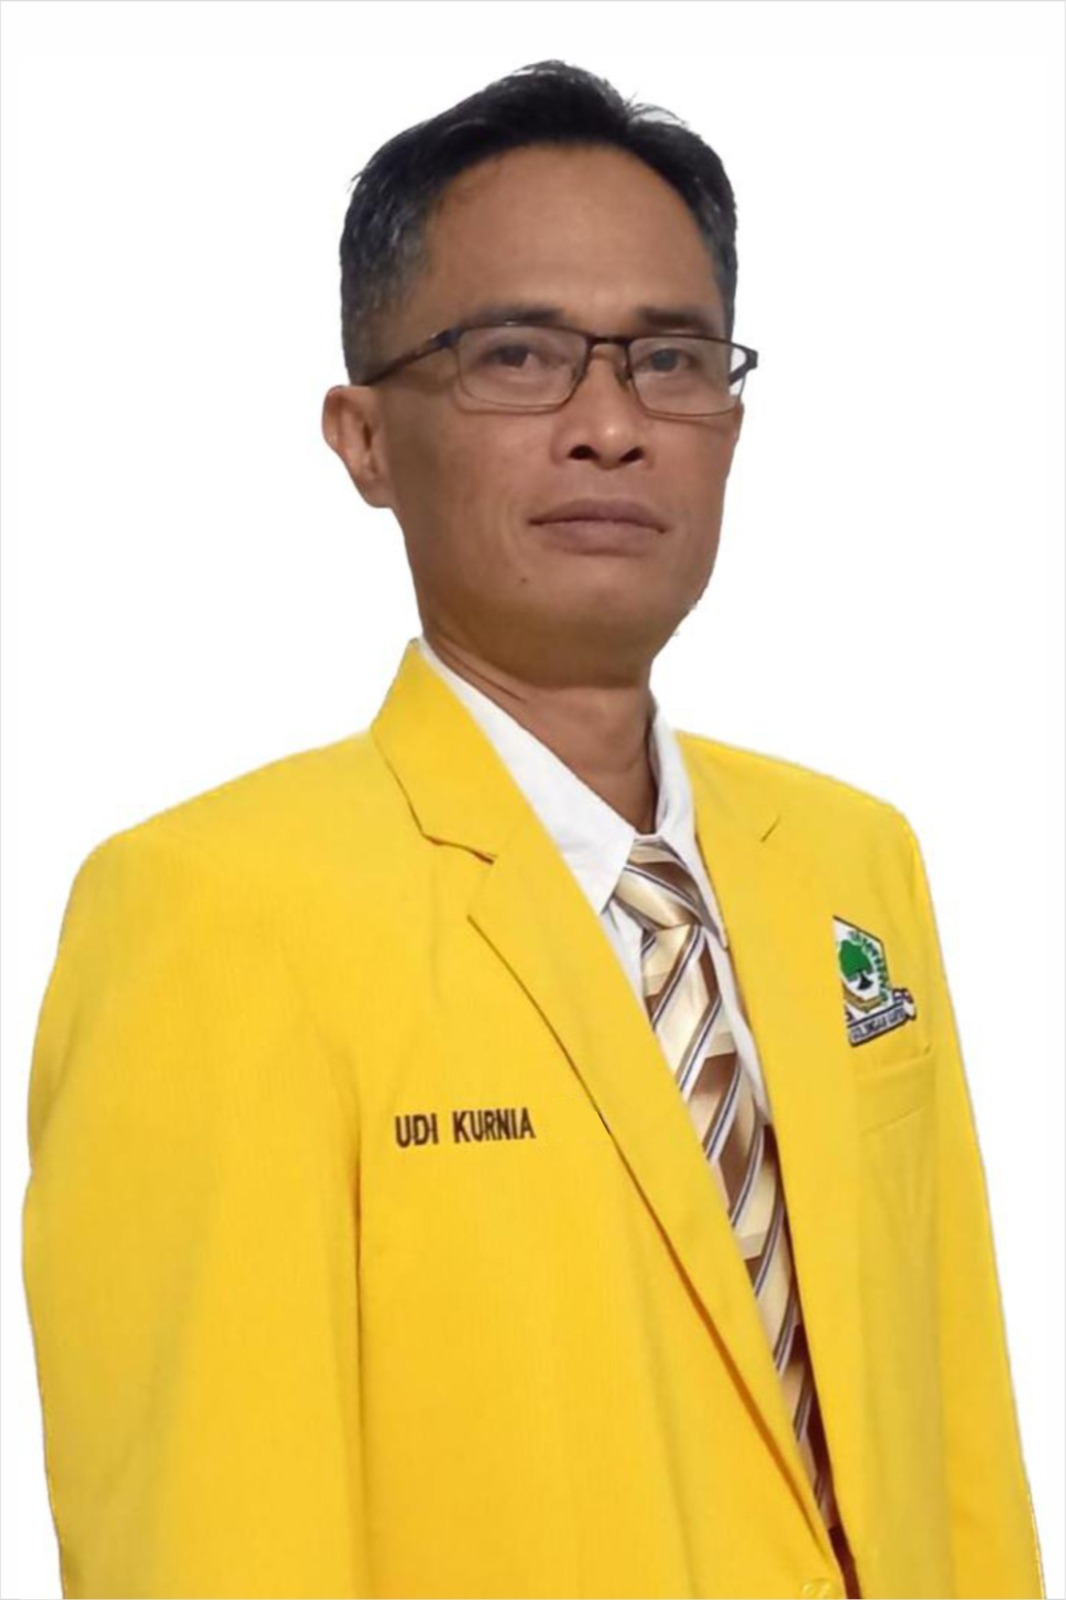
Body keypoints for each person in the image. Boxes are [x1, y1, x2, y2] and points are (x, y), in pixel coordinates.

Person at [22, 59, 1044, 1600]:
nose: (610, 425)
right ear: (364, 437)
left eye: (670, 359)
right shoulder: (215, 911)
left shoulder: (853, 860)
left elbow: (956, 1442)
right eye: (518, 355)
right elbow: (211, 1545)